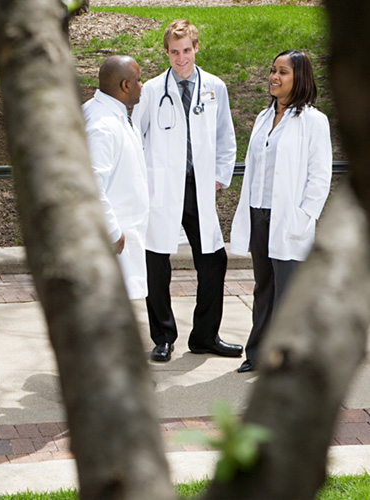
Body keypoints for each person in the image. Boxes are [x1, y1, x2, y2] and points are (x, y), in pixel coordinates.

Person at [132, 19, 243, 362]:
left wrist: (220, 176)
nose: (181, 58)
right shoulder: (151, 90)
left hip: (199, 184)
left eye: (186, 50)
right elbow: (136, 136)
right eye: (174, 52)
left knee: (213, 260)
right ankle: (163, 336)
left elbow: (225, 135)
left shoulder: (215, 87)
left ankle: (205, 335)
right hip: (161, 186)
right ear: (166, 52)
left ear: (196, 48)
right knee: (156, 260)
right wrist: (140, 182)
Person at [230, 50, 332, 373]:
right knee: (263, 287)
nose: (274, 77)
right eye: (272, 70)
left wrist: (304, 216)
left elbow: (320, 177)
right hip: (260, 213)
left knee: (288, 292)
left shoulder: (313, 121)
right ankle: (257, 352)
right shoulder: (263, 118)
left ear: (299, 78)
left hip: (288, 216)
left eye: (282, 72)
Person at [82, 55, 149, 300]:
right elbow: (91, 185)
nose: (142, 85)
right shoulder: (102, 126)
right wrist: (112, 232)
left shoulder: (107, 113)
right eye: (138, 80)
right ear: (125, 86)